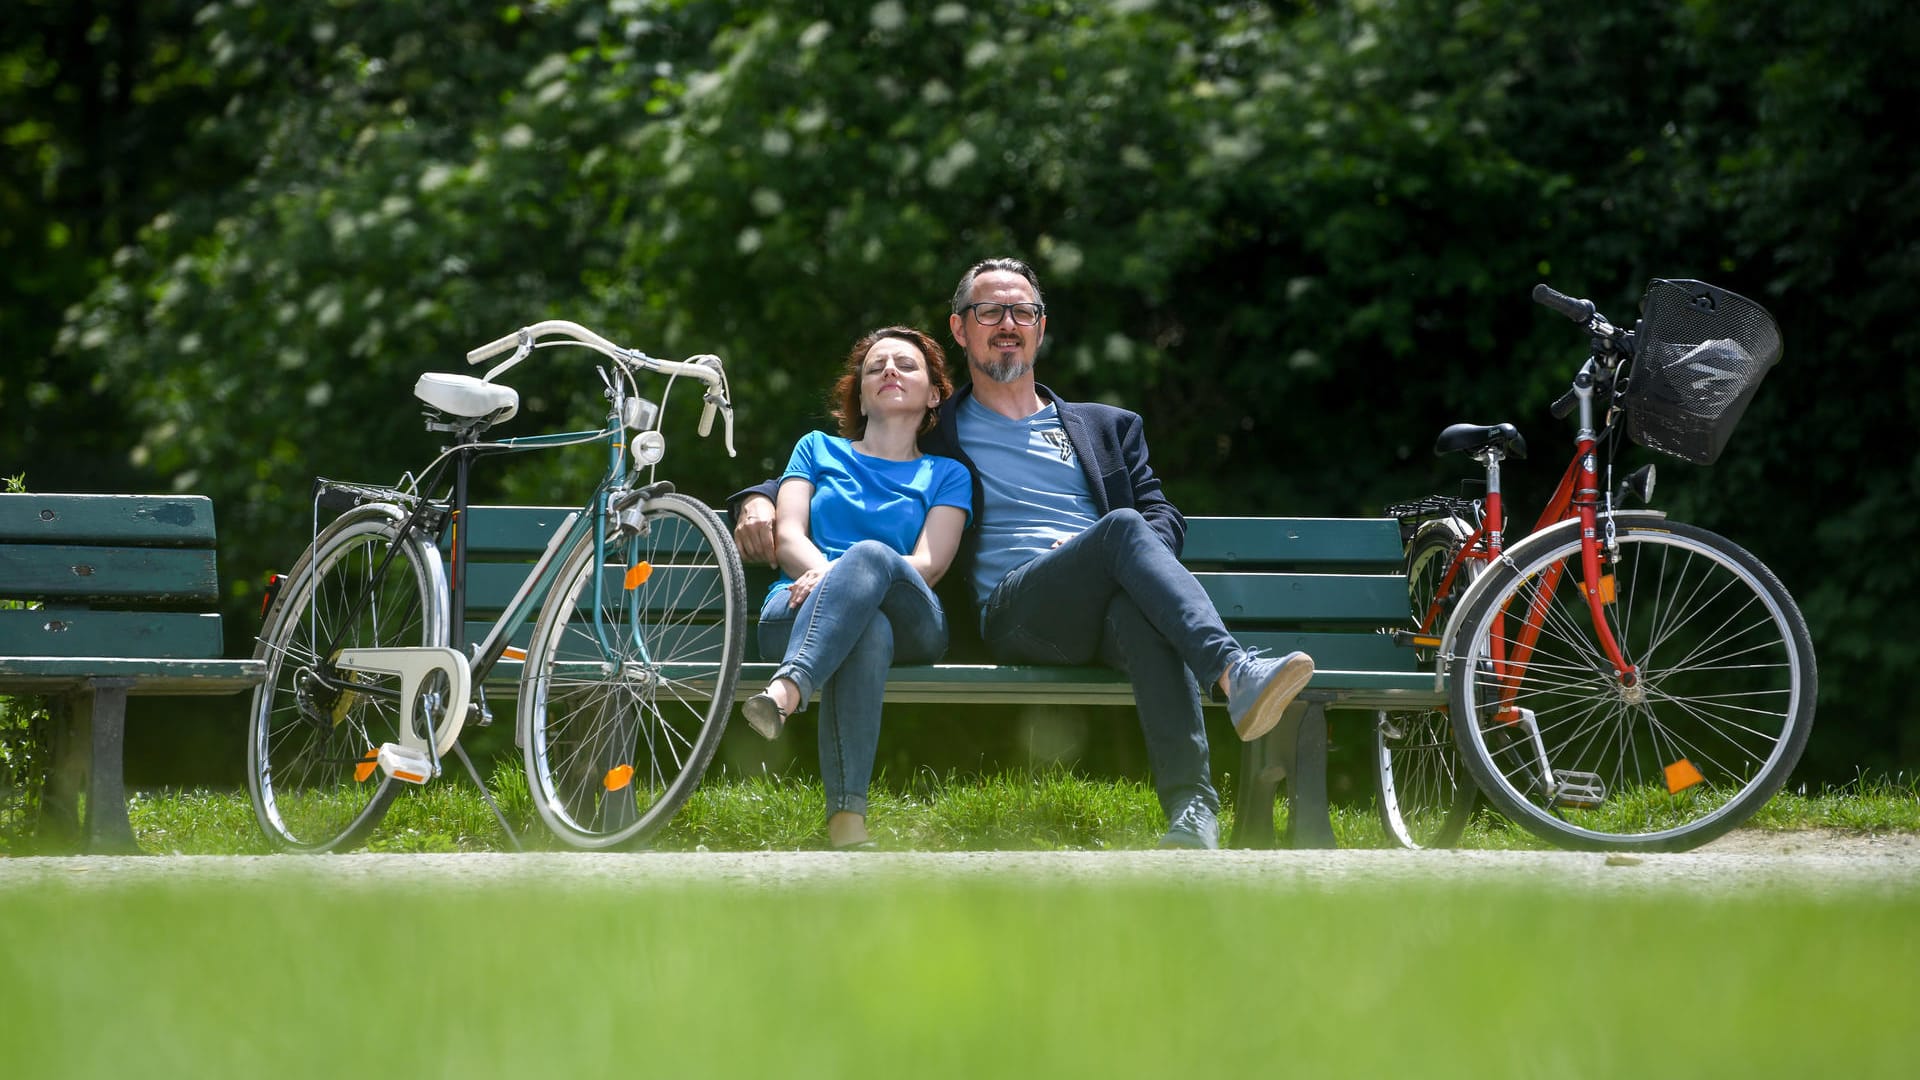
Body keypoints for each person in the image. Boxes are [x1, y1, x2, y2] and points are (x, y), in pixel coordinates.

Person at [733, 258, 1313, 851]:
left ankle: (1192, 815)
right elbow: (864, 455)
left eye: (1022, 311)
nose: (1006, 322)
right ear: (961, 330)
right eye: (989, 311)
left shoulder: (1108, 427)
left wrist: (1099, 553)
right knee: (1120, 528)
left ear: (1040, 326)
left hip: (1106, 597)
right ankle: (1234, 671)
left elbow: (1162, 517)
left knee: (1144, 605)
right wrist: (760, 497)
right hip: (1017, 611)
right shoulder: (941, 428)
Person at [741, 326, 971, 850]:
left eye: (906, 366)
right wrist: (833, 576)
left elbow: (929, 565)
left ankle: (787, 690)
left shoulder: (947, 474)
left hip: (911, 616)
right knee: (866, 628)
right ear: (861, 394)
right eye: (876, 367)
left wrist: (838, 571)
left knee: (869, 557)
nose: (889, 370)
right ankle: (847, 822)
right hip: (795, 610)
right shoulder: (816, 449)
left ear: (934, 394)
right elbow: (788, 534)